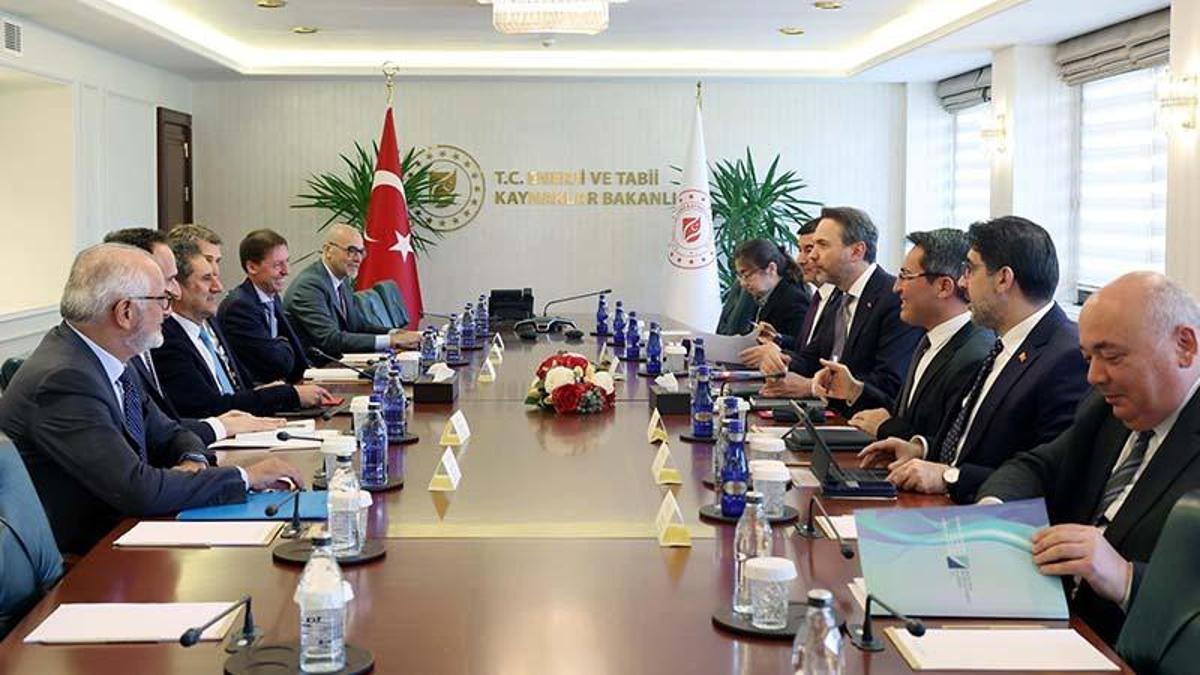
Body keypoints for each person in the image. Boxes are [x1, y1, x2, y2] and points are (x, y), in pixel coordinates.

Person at [0, 244, 303, 555]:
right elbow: (136, 489)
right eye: (163, 300)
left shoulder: (113, 357)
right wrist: (246, 476)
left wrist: (194, 460)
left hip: (127, 533)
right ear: (126, 312)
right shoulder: (64, 380)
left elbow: (171, 432)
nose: (169, 310)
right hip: (89, 556)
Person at [977, 272, 1200, 645]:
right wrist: (993, 512)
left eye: (1111, 356)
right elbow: (1036, 466)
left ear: (1184, 346)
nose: (1094, 376)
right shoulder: (1105, 409)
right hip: (1055, 625)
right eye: (1088, 357)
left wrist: (1125, 578)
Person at [858, 216, 1089, 503]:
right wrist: (921, 450)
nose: (963, 283)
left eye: (970, 270)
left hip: (989, 517)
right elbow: (971, 442)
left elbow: (1046, 474)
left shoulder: (1065, 356)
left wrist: (949, 476)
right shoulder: (1003, 341)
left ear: (1003, 279)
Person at [103, 228, 283, 442]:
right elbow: (146, 437)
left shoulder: (137, 349)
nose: (175, 292)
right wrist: (217, 429)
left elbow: (158, 427)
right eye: (168, 279)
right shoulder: (91, 367)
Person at [815, 229, 994, 440]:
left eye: (905, 276)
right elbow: (907, 415)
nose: (896, 287)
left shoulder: (974, 356)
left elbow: (946, 445)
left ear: (944, 287)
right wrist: (855, 391)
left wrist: (887, 428)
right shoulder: (929, 340)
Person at [757, 207, 922, 411]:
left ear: (856, 251)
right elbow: (813, 359)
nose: (812, 256)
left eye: (822, 245)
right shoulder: (838, 295)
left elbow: (890, 383)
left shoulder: (894, 299)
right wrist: (783, 360)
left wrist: (813, 387)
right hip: (826, 416)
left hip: (862, 422)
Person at [153, 239, 337, 418]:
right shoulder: (166, 340)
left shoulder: (209, 322)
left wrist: (266, 391)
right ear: (175, 287)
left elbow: (237, 389)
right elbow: (210, 408)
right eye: (207, 279)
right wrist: (288, 395)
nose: (218, 287)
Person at [284, 223, 420, 361]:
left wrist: (397, 333)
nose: (358, 259)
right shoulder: (309, 286)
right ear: (328, 250)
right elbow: (331, 340)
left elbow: (359, 326)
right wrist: (392, 341)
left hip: (339, 361)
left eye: (361, 252)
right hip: (316, 367)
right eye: (351, 251)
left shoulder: (342, 281)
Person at [741, 218, 837, 367]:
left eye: (809, 249)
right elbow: (806, 350)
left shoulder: (836, 301)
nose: (801, 260)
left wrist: (778, 353)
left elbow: (820, 361)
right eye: (800, 250)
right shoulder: (819, 298)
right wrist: (778, 339)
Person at [218, 229, 309, 385]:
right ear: (252, 267)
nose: (286, 271)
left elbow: (291, 356)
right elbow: (278, 364)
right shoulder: (239, 307)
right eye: (278, 265)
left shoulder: (272, 297)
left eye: (287, 261)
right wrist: (283, 343)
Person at [731, 238, 810, 339]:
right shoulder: (760, 296)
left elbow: (801, 343)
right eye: (740, 276)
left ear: (771, 269)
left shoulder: (793, 299)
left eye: (747, 275)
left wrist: (777, 338)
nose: (743, 284)